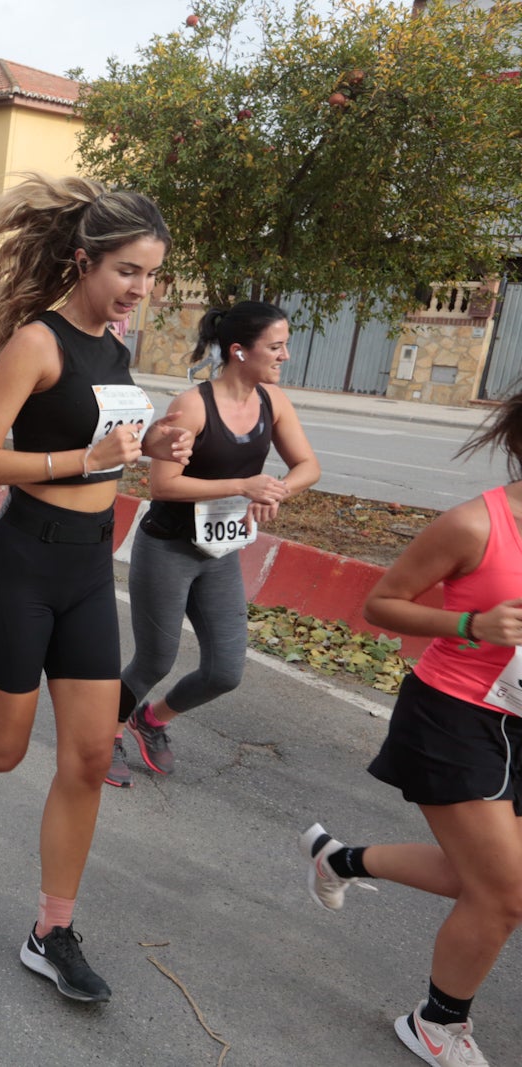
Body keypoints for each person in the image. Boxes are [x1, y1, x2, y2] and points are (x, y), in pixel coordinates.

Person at [0, 174, 192, 1004]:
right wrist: (81, 461)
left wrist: (149, 440)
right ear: (86, 260)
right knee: (4, 746)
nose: (140, 289)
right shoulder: (37, 343)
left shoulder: (117, 351)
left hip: (91, 568)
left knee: (89, 755)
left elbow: (105, 441)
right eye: (128, 270)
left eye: (152, 274)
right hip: (20, 562)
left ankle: (51, 929)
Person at [297, 392, 522, 1067]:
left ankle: (339, 858)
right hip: (451, 717)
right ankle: (436, 1024)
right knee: (506, 892)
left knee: (474, 878)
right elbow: (381, 603)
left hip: (517, 725)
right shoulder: (474, 525)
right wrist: (471, 625)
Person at [112, 302, 318, 786]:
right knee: (154, 659)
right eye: (276, 346)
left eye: (285, 344)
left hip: (220, 553)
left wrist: (275, 489)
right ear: (239, 351)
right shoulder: (193, 406)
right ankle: (104, 734)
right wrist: (243, 485)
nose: (285, 355)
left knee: (226, 670)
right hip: (168, 547)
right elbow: (163, 485)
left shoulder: (274, 401)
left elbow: (309, 466)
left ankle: (152, 720)